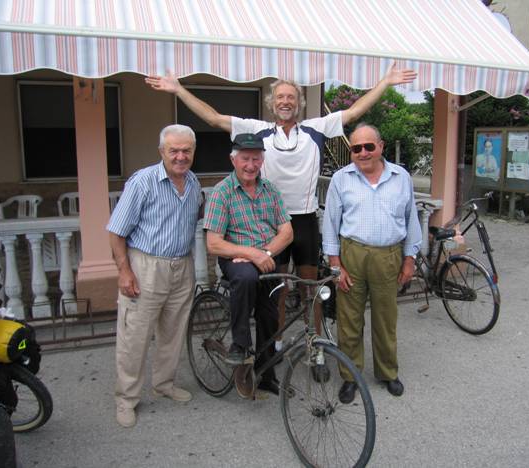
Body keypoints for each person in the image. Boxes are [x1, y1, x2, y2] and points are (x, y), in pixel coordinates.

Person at [145, 64, 418, 353]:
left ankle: (315, 346)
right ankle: (274, 347)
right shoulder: (258, 131)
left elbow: (353, 113)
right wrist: (179, 90)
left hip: (304, 221)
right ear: (272, 103)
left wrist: (385, 83)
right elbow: (213, 118)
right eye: (280, 97)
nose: (285, 102)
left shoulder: (316, 128)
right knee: (278, 290)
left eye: (291, 97)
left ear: (298, 103)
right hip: (274, 225)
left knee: (310, 289)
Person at [107, 124, 202, 428]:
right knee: (135, 336)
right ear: (161, 151)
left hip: (181, 266)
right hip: (146, 266)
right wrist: (124, 272)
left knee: (172, 332)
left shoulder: (194, 182)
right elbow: (116, 232)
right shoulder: (143, 182)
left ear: (193, 152)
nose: (180, 156)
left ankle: (163, 384)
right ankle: (126, 398)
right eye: (173, 150)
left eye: (186, 150)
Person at [321, 124, 422, 404]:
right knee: (349, 320)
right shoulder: (341, 179)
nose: (363, 153)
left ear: (381, 146)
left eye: (369, 146)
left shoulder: (401, 177)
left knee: (385, 318)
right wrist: (335, 264)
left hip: (389, 255)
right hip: (351, 254)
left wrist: (410, 259)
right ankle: (350, 377)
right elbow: (330, 223)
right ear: (351, 151)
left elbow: (411, 219)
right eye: (356, 148)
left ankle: (388, 372)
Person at [202, 134, 293, 396]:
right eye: (245, 159)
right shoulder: (222, 192)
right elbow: (214, 243)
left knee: (270, 316)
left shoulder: (271, 190)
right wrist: (250, 254)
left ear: (262, 160)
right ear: (233, 159)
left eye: (256, 158)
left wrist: (264, 253)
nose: (250, 165)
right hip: (236, 257)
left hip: (266, 256)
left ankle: (266, 375)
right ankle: (239, 344)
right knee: (245, 277)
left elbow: (286, 233)